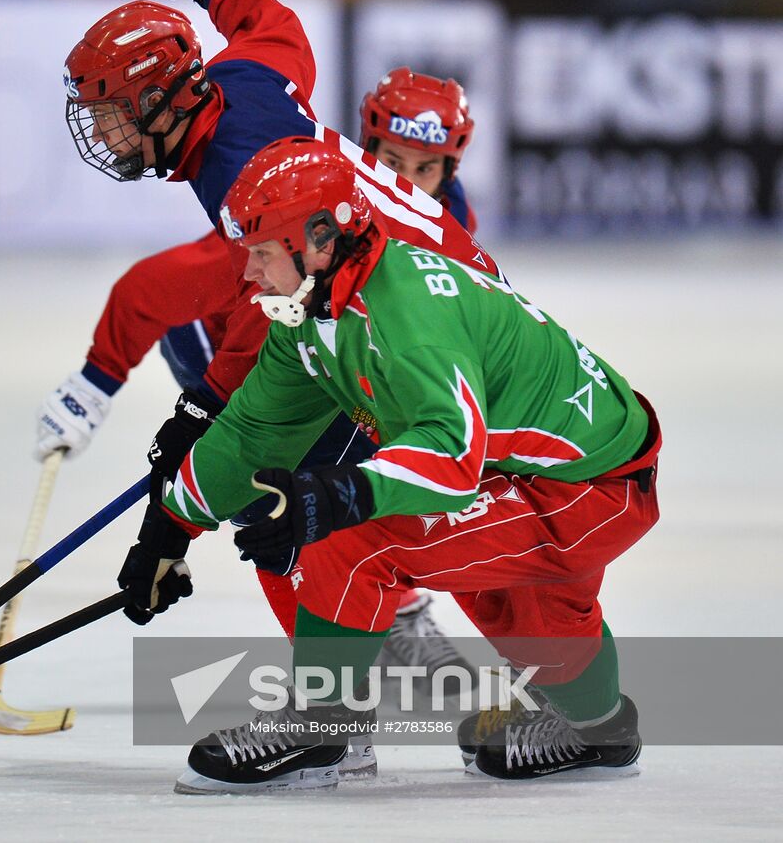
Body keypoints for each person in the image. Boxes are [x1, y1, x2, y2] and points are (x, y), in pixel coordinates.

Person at [115, 130, 661, 793]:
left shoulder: (406, 315)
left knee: (354, 538)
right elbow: (254, 432)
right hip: (572, 471)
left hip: (591, 488)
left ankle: (320, 729)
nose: (250, 274)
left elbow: (452, 457)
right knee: (524, 603)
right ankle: (600, 730)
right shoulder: (313, 314)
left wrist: (335, 496)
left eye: (261, 252)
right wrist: (169, 527)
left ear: (320, 238)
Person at [37, 0, 493, 710]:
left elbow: (271, 318)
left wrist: (203, 412)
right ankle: (386, 629)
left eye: (112, 114)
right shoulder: (241, 77)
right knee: (280, 472)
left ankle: (337, 707)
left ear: (161, 101)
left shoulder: (244, 176)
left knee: (275, 496)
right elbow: (276, 24)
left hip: (413, 325)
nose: (103, 135)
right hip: (419, 305)